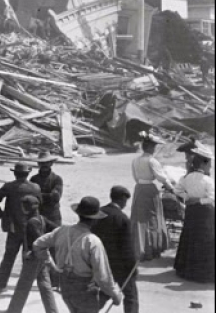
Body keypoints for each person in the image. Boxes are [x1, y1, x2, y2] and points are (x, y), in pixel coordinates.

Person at [33, 197, 124, 313]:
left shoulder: (62, 231)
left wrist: (51, 264)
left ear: (79, 215)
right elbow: (102, 276)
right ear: (95, 220)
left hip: (65, 288)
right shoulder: (93, 241)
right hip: (85, 291)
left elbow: (37, 245)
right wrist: (115, 294)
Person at [0, 195, 59, 313]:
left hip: (33, 259)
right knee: (45, 286)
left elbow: (38, 241)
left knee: (22, 287)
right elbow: (57, 229)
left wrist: (37, 253)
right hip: (40, 259)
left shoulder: (31, 222)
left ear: (25, 208)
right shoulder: (41, 218)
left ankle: (13, 311)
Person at [0, 162, 42, 294]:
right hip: (30, 229)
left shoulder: (9, 187)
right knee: (28, 258)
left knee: (9, 257)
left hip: (14, 228)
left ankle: (1, 286)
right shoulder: (35, 187)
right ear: (28, 173)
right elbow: (40, 204)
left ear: (14, 173)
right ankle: (24, 288)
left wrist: (1, 215)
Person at [92, 186, 139, 313]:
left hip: (100, 262)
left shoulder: (98, 213)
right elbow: (127, 248)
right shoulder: (123, 218)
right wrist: (133, 268)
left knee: (103, 294)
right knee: (130, 296)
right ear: (123, 199)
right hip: (120, 265)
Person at [173, 142, 215, 283]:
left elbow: (177, 190)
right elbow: (212, 198)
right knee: (205, 239)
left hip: (191, 211)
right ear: (204, 165)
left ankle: (188, 269)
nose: (210, 167)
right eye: (209, 164)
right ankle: (203, 272)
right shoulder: (208, 181)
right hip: (205, 213)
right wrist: (199, 200)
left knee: (190, 237)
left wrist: (188, 198)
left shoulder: (186, 178)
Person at [130, 131, 173, 261]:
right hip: (149, 190)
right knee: (152, 219)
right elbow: (162, 178)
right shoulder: (152, 161)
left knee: (139, 219)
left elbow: (136, 178)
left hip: (139, 189)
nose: (154, 149)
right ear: (149, 147)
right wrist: (172, 188)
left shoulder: (135, 160)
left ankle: (140, 247)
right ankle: (152, 248)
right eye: (154, 147)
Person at [31, 151, 64, 228]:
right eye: (42, 163)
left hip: (53, 216)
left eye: (47, 162)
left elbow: (55, 197)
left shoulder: (57, 179)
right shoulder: (34, 179)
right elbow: (30, 197)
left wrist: (38, 195)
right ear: (38, 164)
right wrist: (48, 196)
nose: (44, 165)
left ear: (51, 163)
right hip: (38, 215)